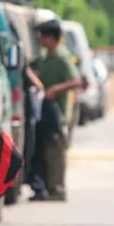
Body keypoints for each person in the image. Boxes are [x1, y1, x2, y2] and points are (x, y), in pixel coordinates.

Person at [30, 19, 82, 201]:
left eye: (42, 36)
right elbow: (31, 67)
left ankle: (58, 190)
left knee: (55, 153)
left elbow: (76, 81)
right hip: (44, 113)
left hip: (58, 115)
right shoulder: (45, 57)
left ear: (51, 38)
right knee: (44, 153)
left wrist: (55, 89)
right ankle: (46, 188)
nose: (40, 39)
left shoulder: (61, 57)